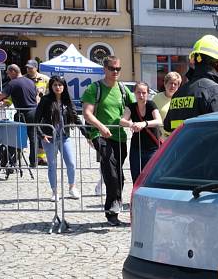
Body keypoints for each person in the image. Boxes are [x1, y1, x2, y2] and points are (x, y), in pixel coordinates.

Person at [81, 55, 135, 226]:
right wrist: (101, 127)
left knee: (117, 174)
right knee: (111, 171)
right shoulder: (94, 88)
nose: (115, 72)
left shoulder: (123, 89)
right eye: (112, 68)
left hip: (119, 136)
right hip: (100, 135)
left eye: (118, 68)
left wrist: (130, 119)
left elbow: (133, 107)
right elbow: (87, 113)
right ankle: (112, 210)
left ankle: (114, 207)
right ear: (104, 69)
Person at [163, 35, 218, 133]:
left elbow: (167, 126)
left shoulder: (179, 94)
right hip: (208, 148)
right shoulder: (215, 92)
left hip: (181, 148)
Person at [35, 76, 81, 201]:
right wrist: (41, 135)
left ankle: (72, 187)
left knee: (71, 163)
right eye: (55, 85)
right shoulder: (45, 100)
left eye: (60, 85)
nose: (58, 87)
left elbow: (76, 118)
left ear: (64, 86)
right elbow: (36, 120)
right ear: (51, 86)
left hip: (64, 136)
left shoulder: (67, 100)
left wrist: (87, 133)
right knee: (52, 165)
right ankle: (54, 191)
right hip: (49, 138)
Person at [0, 64, 39, 171]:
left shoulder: (13, 83)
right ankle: (33, 162)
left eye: (8, 73)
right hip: (33, 112)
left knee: (15, 138)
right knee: (33, 138)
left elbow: (0, 95)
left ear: (13, 71)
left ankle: (11, 162)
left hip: (22, 113)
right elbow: (36, 95)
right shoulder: (30, 81)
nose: (8, 75)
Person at [121, 81, 162, 182]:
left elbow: (159, 120)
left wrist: (144, 124)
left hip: (152, 148)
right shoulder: (131, 106)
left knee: (150, 178)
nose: (141, 95)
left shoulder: (151, 104)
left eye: (144, 92)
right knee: (136, 178)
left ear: (148, 93)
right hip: (136, 148)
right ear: (134, 93)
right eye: (138, 92)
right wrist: (131, 124)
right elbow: (122, 121)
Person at [26, 59, 50, 165]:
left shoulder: (45, 79)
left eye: (31, 68)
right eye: (27, 68)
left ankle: (41, 157)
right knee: (30, 135)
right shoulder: (23, 79)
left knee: (42, 133)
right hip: (29, 110)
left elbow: (51, 93)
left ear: (36, 68)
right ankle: (27, 157)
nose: (28, 69)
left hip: (43, 110)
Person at [152, 71, 181, 138]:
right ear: (165, 84)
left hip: (176, 137)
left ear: (178, 86)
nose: (172, 86)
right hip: (160, 139)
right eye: (170, 83)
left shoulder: (181, 98)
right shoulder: (156, 98)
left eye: (175, 84)